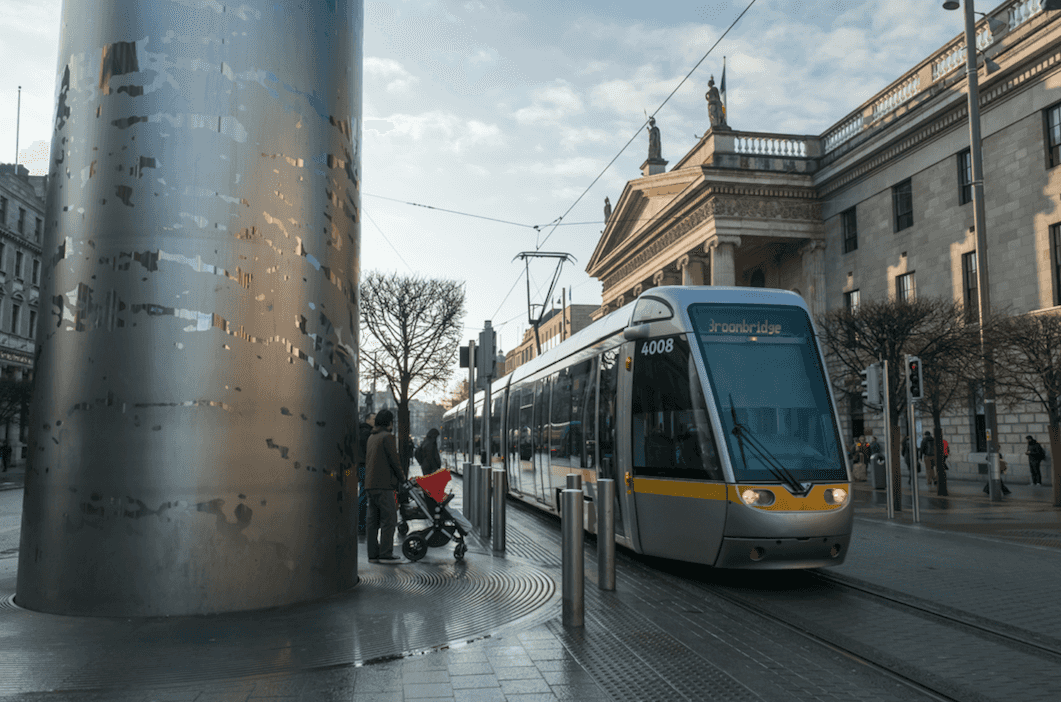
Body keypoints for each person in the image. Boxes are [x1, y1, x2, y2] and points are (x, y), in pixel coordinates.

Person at [364, 409, 406, 563]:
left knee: (372, 521)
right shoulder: (387, 437)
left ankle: (372, 554)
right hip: (384, 485)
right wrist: (403, 479)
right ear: (389, 422)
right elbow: (394, 461)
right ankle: (386, 553)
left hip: (370, 484)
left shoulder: (371, 437)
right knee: (389, 519)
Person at [356, 420, 373, 534]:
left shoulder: (357, 432)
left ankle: (361, 523)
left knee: (362, 493)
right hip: (366, 467)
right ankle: (362, 524)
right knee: (365, 495)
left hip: (357, 467)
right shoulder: (367, 433)